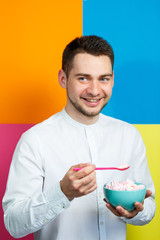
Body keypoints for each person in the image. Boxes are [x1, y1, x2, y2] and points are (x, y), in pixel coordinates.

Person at [2, 35, 156, 240]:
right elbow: (13, 224)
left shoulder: (129, 136)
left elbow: (149, 206)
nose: (94, 90)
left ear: (112, 79)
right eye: (83, 78)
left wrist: (138, 212)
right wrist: (62, 193)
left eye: (103, 79)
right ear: (63, 78)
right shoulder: (35, 140)